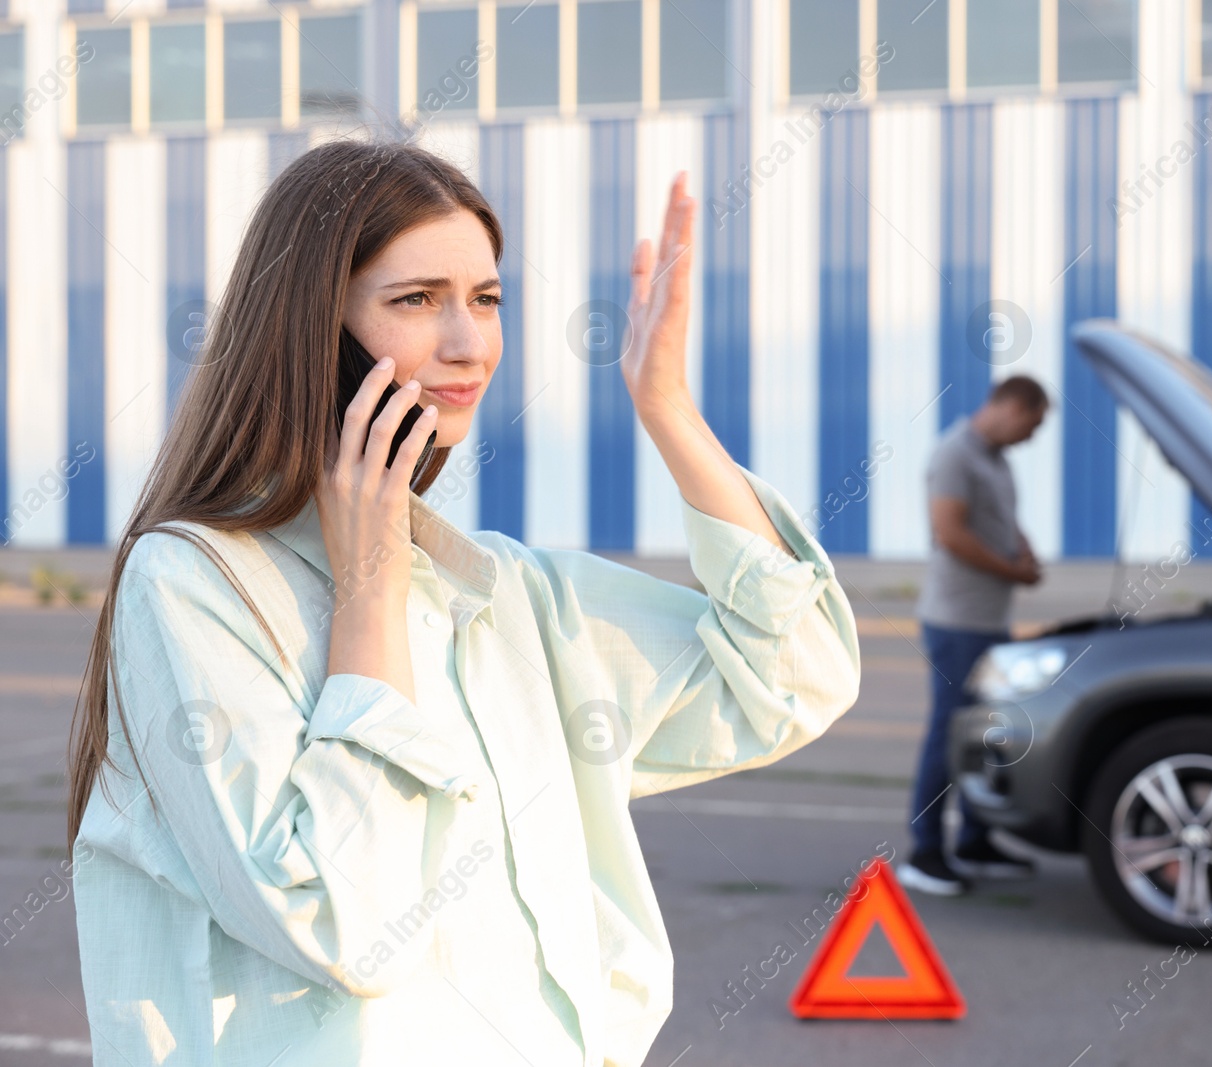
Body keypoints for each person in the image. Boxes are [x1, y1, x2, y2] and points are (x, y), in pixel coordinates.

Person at [65, 140, 861, 1067]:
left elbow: (795, 674)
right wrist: (369, 592)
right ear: (312, 326)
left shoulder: (507, 593)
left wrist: (670, 412)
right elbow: (347, 924)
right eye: (417, 300)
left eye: (486, 299)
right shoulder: (195, 583)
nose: (469, 342)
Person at [898, 377, 1049, 896]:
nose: (1032, 436)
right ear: (1012, 406)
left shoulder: (996, 458)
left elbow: (1003, 521)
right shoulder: (955, 454)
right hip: (956, 621)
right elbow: (950, 532)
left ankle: (976, 840)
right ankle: (925, 851)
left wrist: (1023, 551)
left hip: (988, 620)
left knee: (986, 734)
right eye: (1033, 424)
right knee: (948, 733)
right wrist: (1012, 573)